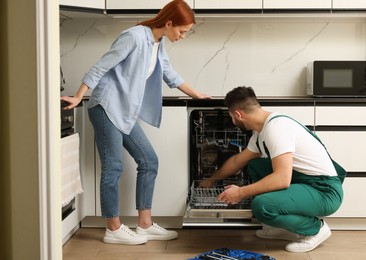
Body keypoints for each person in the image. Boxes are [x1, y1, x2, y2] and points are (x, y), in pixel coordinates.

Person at [61, 0, 210, 245]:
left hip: (125, 111)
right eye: (182, 31)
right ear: (169, 22)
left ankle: (144, 224)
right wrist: (79, 96)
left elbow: (168, 73)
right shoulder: (133, 36)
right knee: (113, 168)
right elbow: (101, 66)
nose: (183, 36)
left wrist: (196, 94)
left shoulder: (158, 43)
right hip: (106, 107)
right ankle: (113, 228)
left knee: (149, 160)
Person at [200, 86, 346, 253]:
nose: (233, 121)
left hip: (324, 191)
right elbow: (236, 162)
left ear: (238, 115)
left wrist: (240, 193)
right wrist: (210, 180)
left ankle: (316, 229)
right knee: (255, 165)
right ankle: (283, 228)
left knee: (262, 206)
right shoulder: (262, 132)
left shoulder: (277, 129)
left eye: (232, 117)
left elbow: (282, 179)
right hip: (307, 183)